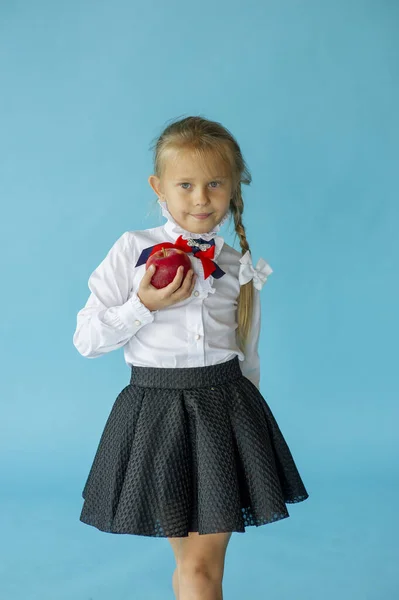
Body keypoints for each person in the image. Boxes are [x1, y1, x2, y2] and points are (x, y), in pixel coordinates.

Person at [73, 115, 309, 600]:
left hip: (226, 417)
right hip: (156, 419)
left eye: (214, 184)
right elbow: (87, 339)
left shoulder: (234, 266)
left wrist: (250, 432)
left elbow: (248, 353)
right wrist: (143, 306)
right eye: (186, 184)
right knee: (191, 565)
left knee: (203, 569)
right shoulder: (131, 251)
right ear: (159, 187)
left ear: (232, 189)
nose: (201, 198)